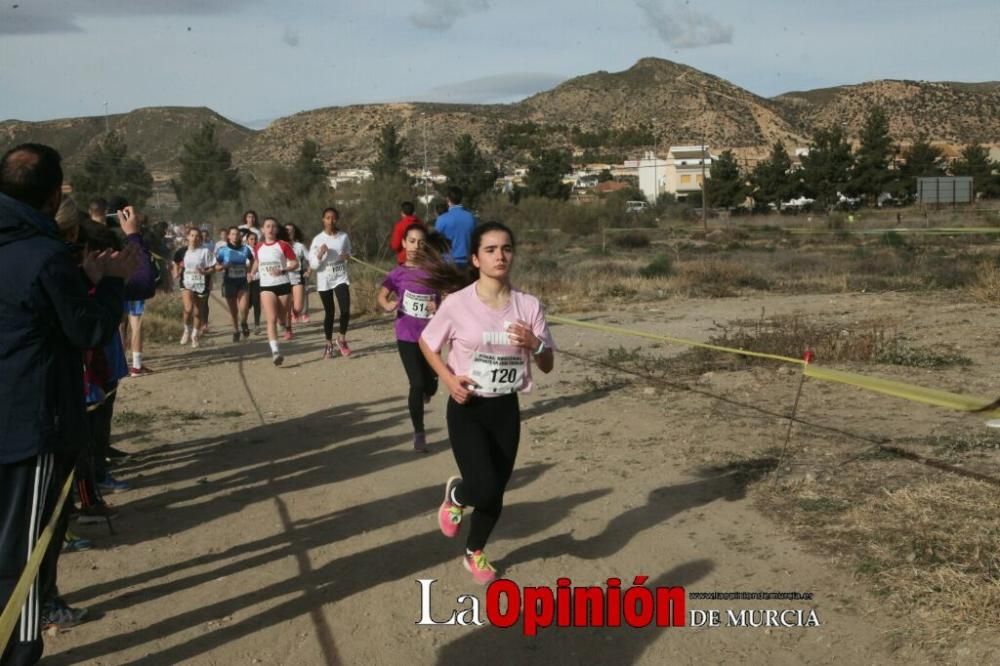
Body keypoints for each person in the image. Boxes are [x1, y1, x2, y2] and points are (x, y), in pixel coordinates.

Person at [0, 143, 137, 665]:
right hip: (30, 422)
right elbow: (88, 330)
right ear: (54, 193)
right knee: (29, 551)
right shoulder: (43, 254)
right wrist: (109, 286)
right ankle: (22, 649)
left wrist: (81, 281)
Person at [419, 221, 555, 585]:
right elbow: (427, 343)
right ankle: (458, 493)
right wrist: (448, 379)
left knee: (496, 489)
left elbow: (547, 363)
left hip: (505, 408)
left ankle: (474, 551)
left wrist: (535, 343)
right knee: (482, 486)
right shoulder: (456, 304)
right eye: (491, 250)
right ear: (476, 259)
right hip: (468, 406)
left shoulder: (528, 305)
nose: (500, 256)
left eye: (506, 248)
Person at [377, 223, 439, 452]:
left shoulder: (434, 271)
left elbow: (444, 298)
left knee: (431, 384)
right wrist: (388, 305)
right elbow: (382, 296)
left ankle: (427, 392)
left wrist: (438, 304)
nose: (415, 246)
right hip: (406, 335)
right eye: (411, 241)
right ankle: (419, 432)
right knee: (417, 383)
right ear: (403, 243)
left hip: (431, 336)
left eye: (421, 242)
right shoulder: (397, 273)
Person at [250, 217, 298, 365]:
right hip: (266, 287)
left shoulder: (283, 245)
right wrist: (252, 273)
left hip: (283, 285)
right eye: (267, 226)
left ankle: (283, 323)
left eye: (273, 226)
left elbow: (295, 263)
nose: (270, 229)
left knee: (281, 319)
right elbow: (257, 262)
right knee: (271, 319)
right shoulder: (258, 246)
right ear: (263, 230)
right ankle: (275, 351)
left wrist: (284, 269)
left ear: (277, 230)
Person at [308, 207, 352, 358]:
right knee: (330, 312)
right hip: (324, 279)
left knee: (345, 310)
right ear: (323, 220)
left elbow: (348, 253)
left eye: (333, 218)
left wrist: (347, 256)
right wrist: (320, 253)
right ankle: (328, 343)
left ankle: (341, 338)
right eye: (327, 217)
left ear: (337, 219)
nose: (330, 220)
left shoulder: (343, 237)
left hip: (340, 277)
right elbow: (313, 265)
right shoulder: (317, 240)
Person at [173, 227, 216, 349]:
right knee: (188, 308)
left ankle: (195, 335)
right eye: (192, 235)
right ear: (187, 237)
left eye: (197, 236)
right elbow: (175, 262)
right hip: (186, 283)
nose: (194, 238)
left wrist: (206, 272)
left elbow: (213, 267)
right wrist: (176, 272)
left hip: (201, 283)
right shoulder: (182, 251)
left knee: (198, 311)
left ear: (200, 239)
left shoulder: (205, 251)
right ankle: (186, 330)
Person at [215, 226, 254, 342]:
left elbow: (252, 260)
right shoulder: (223, 250)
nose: (235, 236)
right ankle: (236, 330)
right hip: (229, 282)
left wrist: (249, 271)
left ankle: (243, 322)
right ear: (228, 236)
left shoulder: (245, 249)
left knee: (244, 307)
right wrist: (223, 266)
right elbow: (216, 266)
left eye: (237, 234)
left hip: (242, 281)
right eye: (232, 234)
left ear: (240, 236)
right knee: (233, 311)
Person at [432, 186, 476, 268]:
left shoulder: (442, 219)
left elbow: (436, 243)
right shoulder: (471, 218)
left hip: (448, 262)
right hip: (467, 261)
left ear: (448, 199)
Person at [285, 223, 311, 332]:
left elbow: (311, 259)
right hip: (283, 278)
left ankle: (295, 312)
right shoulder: (279, 245)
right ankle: (288, 325)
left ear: (295, 232)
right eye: (287, 230)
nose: (289, 232)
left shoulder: (300, 246)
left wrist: (309, 271)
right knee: (287, 301)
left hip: (297, 276)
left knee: (298, 306)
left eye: (291, 230)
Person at [245, 231, 262, 334]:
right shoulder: (244, 250)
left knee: (257, 303)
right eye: (251, 239)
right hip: (246, 280)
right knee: (247, 304)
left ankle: (257, 325)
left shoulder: (261, 248)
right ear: (247, 240)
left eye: (255, 239)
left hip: (258, 279)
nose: (254, 241)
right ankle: (244, 324)